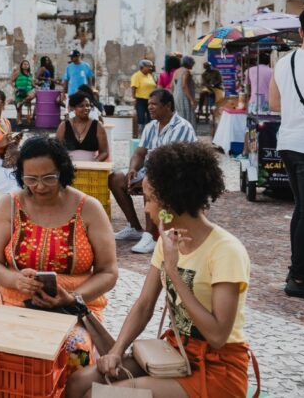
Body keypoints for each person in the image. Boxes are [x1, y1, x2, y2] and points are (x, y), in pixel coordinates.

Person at [66, 142, 255, 398]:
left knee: (100, 396)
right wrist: (116, 352)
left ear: (169, 200)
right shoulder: (168, 240)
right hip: (175, 353)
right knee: (79, 382)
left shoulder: (226, 250)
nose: (145, 207)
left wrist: (174, 272)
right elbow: (145, 305)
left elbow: (218, 335)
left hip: (217, 368)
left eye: (150, 199)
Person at [0, 136, 117, 380]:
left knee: (74, 353)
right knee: (0, 355)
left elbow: (108, 271)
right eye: (31, 179)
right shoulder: (10, 205)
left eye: (48, 178)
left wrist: (74, 298)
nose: (40, 187)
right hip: (14, 302)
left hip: (74, 309)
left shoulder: (89, 209)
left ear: (63, 172)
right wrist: (15, 281)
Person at [111, 89, 197, 255]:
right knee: (115, 178)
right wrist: (133, 169)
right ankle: (135, 228)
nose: (150, 107)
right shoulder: (151, 127)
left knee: (150, 181)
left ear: (168, 106)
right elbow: (139, 153)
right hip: (152, 170)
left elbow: (171, 161)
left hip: (176, 173)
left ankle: (151, 236)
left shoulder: (182, 127)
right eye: (149, 104)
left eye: (154, 104)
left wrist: (144, 178)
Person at [268, 7, 304, 298]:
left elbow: (275, 104)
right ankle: (298, 277)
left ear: (301, 32)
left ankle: (298, 272)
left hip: (288, 142)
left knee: (301, 208)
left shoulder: (285, 62)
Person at [57, 92, 110, 162]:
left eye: (88, 105)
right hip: (69, 168)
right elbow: (56, 150)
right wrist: (66, 164)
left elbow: (104, 152)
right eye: (81, 106)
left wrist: (94, 163)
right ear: (73, 108)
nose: (86, 108)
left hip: (91, 169)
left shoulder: (98, 126)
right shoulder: (63, 126)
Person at [131, 59, 156, 129]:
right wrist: (134, 99)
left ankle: (152, 132)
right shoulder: (136, 75)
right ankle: (141, 134)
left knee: (151, 117)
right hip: (141, 100)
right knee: (141, 118)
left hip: (151, 100)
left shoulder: (150, 76)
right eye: (149, 66)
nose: (150, 68)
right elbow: (133, 88)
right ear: (142, 67)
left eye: (151, 67)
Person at [172, 55, 197, 125]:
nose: (193, 65)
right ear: (189, 63)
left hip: (176, 96)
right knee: (187, 116)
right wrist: (192, 100)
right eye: (192, 63)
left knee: (179, 115)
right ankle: (187, 133)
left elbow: (172, 85)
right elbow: (184, 86)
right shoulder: (186, 72)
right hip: (184, 97)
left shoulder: (176, 71)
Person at [11, 59, 37, 126]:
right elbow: (11, 81)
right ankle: (19, 120)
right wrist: (15, 88)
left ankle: (22, 102)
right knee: (19, 107)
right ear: (21, 66)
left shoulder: (30, 75)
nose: (26, 65)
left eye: (27, 64)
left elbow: (33, 85)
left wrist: (37, 86)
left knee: (34, 94)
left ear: (29, 66)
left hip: (28, 91)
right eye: (24, 64)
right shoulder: (17, 73)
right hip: (19, 91)